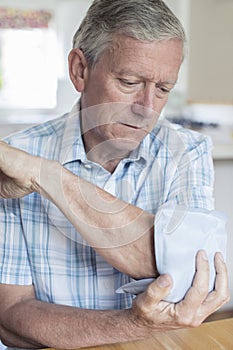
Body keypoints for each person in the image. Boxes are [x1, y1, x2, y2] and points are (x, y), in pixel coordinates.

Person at [0, 0, 229, 348]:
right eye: (129, 82)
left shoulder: (188, 150)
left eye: (164, 89)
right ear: (80, 70)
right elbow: (10, 315)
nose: (147, 108)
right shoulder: (15, 157)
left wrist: (46, 176)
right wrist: (131, 323)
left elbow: (186, 272)